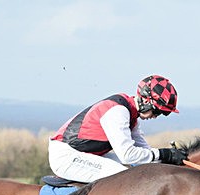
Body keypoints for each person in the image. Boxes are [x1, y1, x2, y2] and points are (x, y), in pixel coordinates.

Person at [49, 75, 187, 184]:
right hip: (66, 155)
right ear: (146, 101)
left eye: (163, 113)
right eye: (157, 111)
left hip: (86, 153)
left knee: (138, 168)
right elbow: (127, 155)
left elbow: (146, 153)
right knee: (125, 177)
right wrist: (163, 154)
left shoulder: (131, 116)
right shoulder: (118, 112)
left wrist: (169, 158)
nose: (157, 116)